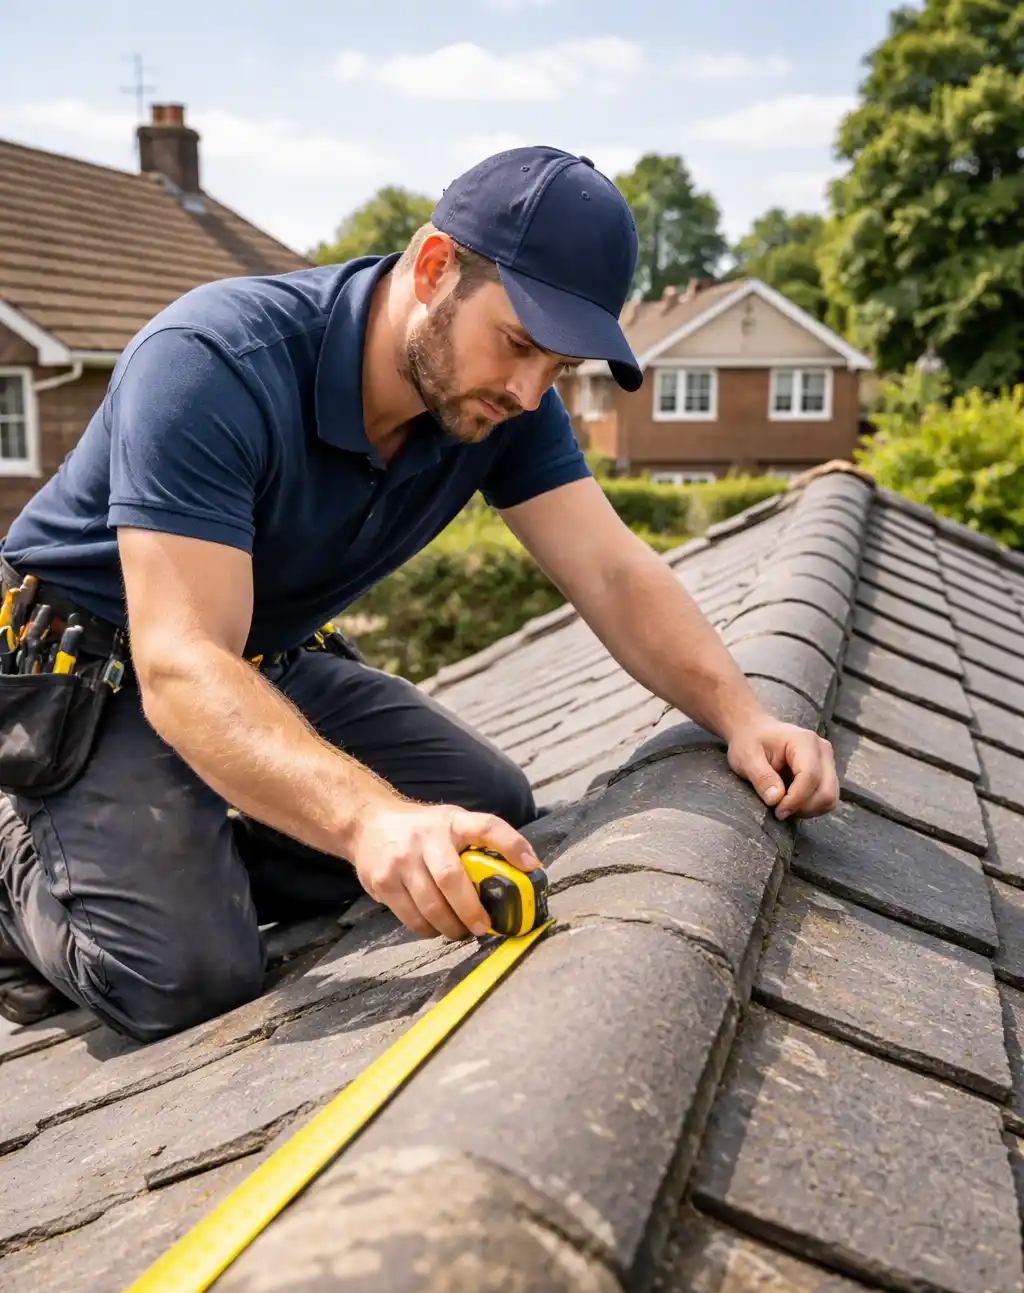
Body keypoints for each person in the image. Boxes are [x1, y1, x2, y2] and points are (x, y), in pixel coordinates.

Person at [0, 146, 838, 1043]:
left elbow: (612, 570)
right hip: (99, 674)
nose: (529, 390)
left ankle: (173, 865)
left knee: (489, 818)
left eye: (557, 367)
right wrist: (367, 821)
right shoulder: (211, 362)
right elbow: (182, 662)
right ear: (435, 267)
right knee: (183, 975)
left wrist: (743, 715)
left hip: (257, 660)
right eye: (517, 344)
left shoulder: (501, 402)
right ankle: (27, 873)